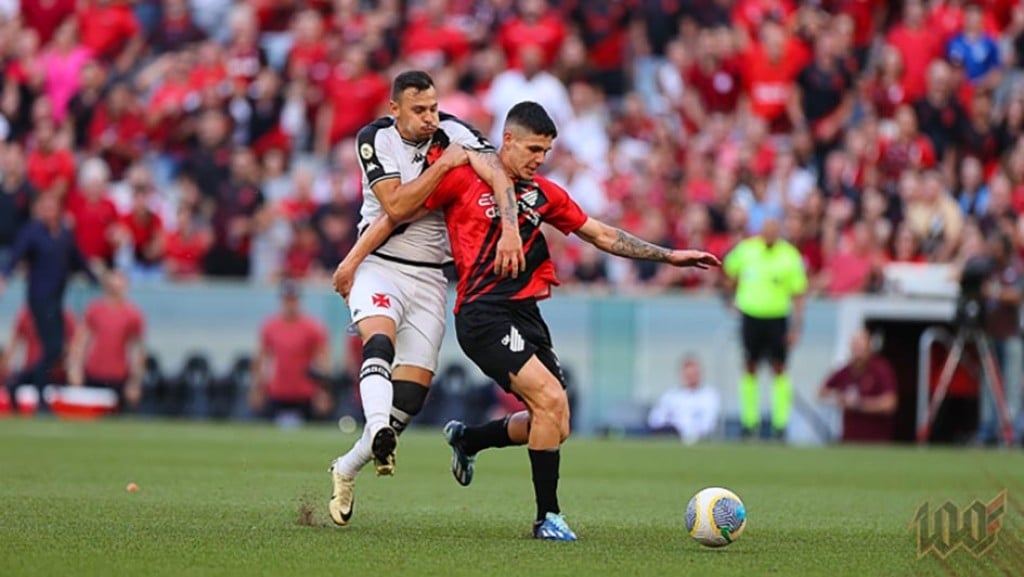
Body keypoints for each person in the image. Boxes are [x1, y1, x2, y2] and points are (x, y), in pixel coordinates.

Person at [352, 101, 719, 540]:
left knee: (556, 423)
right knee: (548, 400)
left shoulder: (544, 193)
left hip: (526, 315)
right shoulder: (463, 180)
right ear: (507, 140)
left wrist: (670, 255)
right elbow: (399, 212)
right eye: (532, 149)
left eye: (545, 151)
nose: (538, 159)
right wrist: (353, 261)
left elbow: (600, 233)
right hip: (482, 314)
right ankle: (547, 517)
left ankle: (470, 440)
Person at [326, 70, 525, 526]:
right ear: (394, 108)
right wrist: (446, 164)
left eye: (434, 108)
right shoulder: (374, 138)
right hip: (381, 263)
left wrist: (510, 228)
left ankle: (348, 465)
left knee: (411, 396)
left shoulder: (455, 131)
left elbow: (496, 172)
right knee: (379, 342)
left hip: (432, 277)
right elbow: (394, 207)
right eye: (420, 110)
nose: (431, 118)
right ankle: (377, 429)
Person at [0, 194, 103, 408]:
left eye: (52, 207)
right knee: (52, 347)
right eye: (44, 207)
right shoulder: (33, 232)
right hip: (39, 298)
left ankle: (16, 384)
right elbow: (16, 254)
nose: (48, 212)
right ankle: (40, 396)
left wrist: (97, 280)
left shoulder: (64, 235)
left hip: (56, 299)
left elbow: (78, 260)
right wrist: (4, 276)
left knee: (54, 350)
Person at [722, 216, 807, 440]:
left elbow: (798, 293)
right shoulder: (747, 250)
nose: (769, 234)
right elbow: (728, 270)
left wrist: (797, 326)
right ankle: (749, 422)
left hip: (777, 317)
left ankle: (780, 423)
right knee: (750, 366)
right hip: (751, 315)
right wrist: (729, 298)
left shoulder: (789, 255)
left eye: (773, 230)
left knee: (779, 368)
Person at [249, 281, 331, 423]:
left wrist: (323, 391)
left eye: (293, 299)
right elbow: (261, 359)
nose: (290, 304)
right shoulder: (271, 327)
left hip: (305, 393)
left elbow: (323, 361)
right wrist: (257, 388)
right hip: (277, 392)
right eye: (287, 300)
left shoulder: (312, 328)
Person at [67, 270, 146, 411]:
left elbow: (137, 350)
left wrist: (135, 382)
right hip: (93, 373)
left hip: (118, 376)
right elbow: (81, 341)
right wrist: (75, 369)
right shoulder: (95, 309)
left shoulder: (133, 314)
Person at [818, 328, 898, 443]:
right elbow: (822, 392)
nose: (858, 352)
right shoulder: (844, 371)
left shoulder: (881, 369)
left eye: (861, 348)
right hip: (849, 441)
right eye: (855, 347)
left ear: (869, 347)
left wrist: (859, 404)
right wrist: (840, 398)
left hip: (876, 442)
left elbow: (890, 403)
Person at [647, 355, 721, 445]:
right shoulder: (671, 396)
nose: (690, 378)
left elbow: (707, 424)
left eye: (694, 374)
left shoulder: (709, 396)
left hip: (697, 441)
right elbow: (655, 419)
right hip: (671, 437)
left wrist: (686, 430)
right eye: (688, 375)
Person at [3, 306, 77, 389]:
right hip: (32, 373)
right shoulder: (27, 314)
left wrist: (73, 372)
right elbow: (12, 344)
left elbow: (74, 349)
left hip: (54, 377)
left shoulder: (64, 316)